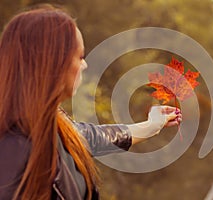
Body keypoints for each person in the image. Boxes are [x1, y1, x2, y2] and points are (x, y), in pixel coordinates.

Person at [0, 5, 182, 200]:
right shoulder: (13, 151)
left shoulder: (52, 125)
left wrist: (152, 125)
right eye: (79, 57)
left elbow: (95, 137)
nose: (84, 65)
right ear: (52, 62)